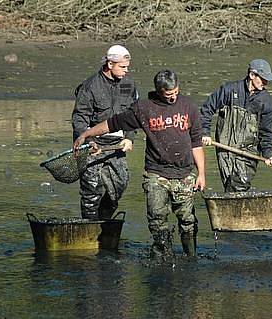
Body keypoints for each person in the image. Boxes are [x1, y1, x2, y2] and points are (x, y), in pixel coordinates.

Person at [73, 69, 205, 260]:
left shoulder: (189, 107)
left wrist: (201, 173)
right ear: (159, 91)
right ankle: (162, 259)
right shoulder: (144, 108)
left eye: (176, 92)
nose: (173, 97)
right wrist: (86, 134)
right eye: (168, 94)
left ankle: (191, 258)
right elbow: (113, 123)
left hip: (185, 175)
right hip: (156, 174)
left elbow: (196, 143)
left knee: (188, 221)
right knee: (157, 221)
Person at [71, 44, 138, 220]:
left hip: (116, 145)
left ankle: (105, 220)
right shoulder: (90, 86)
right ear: (110, 64)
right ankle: (90, 229)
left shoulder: (129, 85)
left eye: (127, 67)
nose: (126, 70)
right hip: (92, 145)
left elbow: (133, 114)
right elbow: (80, 117)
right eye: (122, 67)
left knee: (120, 185)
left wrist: (130, 138)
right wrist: (88, 142)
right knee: (91, 191)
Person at [200, 59, 272, 192]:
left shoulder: (265, 100)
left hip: (249, 150)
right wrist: (205, 133)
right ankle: (238, 211)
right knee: (230, 185)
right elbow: (207, 109)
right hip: (224, 149)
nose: (265, 83)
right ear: (252, 75)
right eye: (263, 79)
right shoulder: (229, 90)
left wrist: (268, 153)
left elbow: (267, 130)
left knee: (240, 183)